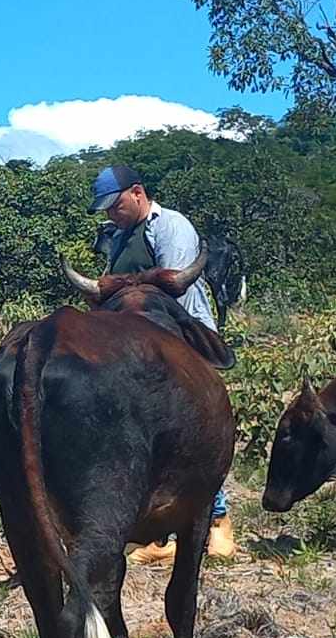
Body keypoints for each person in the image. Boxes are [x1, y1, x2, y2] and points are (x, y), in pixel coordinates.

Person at [90, 165, 236, 562]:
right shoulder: (117, 238)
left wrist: (122, 289)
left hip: (182, 339)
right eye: (105, 210)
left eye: (115, 205)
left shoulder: (170, 226)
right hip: (133, 347)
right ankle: (158, 535)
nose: (111, 215)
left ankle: (219, 522)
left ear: (137, 192)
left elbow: (173, 289)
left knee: (194, 430)